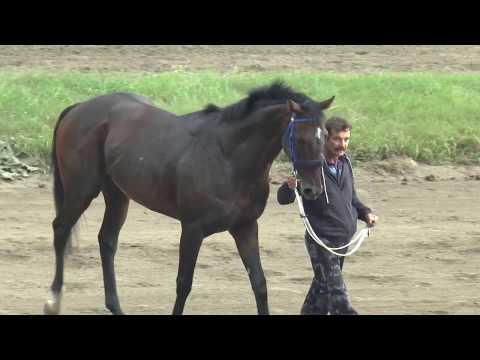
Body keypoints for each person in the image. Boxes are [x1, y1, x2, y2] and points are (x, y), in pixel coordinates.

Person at [277, 116, 378, 315]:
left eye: (346, 139)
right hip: (321, 242)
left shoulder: (345, 164)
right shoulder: (310, 168)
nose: (343, 144)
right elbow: (283, 198)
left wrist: (366, 214)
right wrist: (290, 187)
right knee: (339, 300)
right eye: (337, 139)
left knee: (321, 297)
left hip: (342, 242)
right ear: (325, 138)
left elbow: (352, 200)